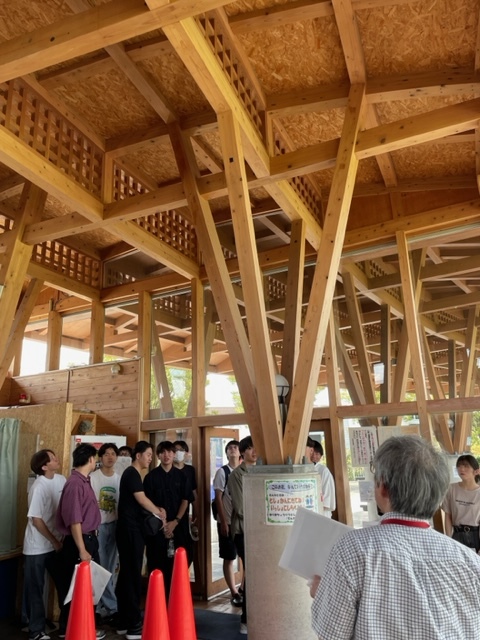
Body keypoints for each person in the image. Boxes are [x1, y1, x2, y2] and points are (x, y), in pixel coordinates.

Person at [311, 435, 480, 640]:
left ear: (383, 487)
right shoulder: (471, 562)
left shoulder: (353, 549)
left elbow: (331, 636)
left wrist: (325, 597)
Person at [115, 441, 165, 640]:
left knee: (127, 574)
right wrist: (159, 513)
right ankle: (133, 624)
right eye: (148, 455)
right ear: (138, 456)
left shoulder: (133, 474)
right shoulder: (132, 474)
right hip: (130, 531)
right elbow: (142, 499)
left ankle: (123, 621)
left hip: (130, 530)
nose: (151, 459)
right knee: (132, 575)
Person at [55, 444, 105, 640]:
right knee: (76, 588)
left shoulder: (84, 480)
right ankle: (74, 629)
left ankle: (76, 627)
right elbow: (74, 521)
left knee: (86, 587)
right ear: (91, 459)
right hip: (80, 541)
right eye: (96, 458)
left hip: (88, 538)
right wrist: (82, 549)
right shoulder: (75, 483)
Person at [23, 449, 66, 640]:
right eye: (52, 458)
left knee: (64, 584)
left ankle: (66, 626)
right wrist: (55, 541)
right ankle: (36, 630)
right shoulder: (38, 487)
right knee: (35, 589)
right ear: (44, 466)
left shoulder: (62, 480)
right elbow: (36, 520)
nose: (57, 460)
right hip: (37, 547)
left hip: (57, 545)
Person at [143, 441, 191, 599]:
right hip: (157, 528)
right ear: (158, 455)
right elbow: (147, 504)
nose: (167, 455)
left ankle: (176, 599)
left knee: (178, 564)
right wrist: (164, 524)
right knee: (156, 563)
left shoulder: (182, 476)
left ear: (174, 454)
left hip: (178, 527)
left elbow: (185, 500)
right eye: (163, 452)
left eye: (170, 452)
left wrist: (175, 522)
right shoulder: (150, 477)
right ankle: (157, 599)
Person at [228, 436, 257, 636]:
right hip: (244, 531)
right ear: (243, 451)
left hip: (260, 531)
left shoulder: (263, 470)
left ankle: (255, 616)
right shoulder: (236, 475)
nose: (254, 452)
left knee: (258, 575)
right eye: (250, 448)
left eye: (256, 448)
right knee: (251, 574)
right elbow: (240, 508)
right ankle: (246, 619)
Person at [89, 443, 120, 623]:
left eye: (113, 453)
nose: (110, 457)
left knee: (110, 567)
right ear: (100, 457)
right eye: (106, 454)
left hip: (115, 525)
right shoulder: (93, 478)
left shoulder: (118, 479)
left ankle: (101, 607)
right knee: (100, 567)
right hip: (98, 527)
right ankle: (111, 607)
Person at [212, 439, 242, 606]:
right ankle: (234, 591)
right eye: (229, 448)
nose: (232, 450)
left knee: (244, 556)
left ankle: (243, 588)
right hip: (227, 521)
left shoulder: (244, 471)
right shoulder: (222, 472)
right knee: (229, 556)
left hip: (242, 522)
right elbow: (218, 498)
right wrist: (223, 521)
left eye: (235, 447)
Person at [442, 453, 480, 551]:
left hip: (476, 536)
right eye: (459, 466)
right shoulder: (451, 488)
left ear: (476, 471)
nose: (461, 469)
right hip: (457, 535)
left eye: (466, 466)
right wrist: (448, 539)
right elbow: (448, 516)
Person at [173, 439, 198, 531]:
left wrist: (197, 513)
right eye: (175, 450)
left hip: (185, 512)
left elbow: (193, 492)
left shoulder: (190, 470)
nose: (178, 452)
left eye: (181, 450)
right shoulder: (168, 469)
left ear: (186, 453)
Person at [312, 439, 336, 518]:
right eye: (312, 453)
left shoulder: (323, 470)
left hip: (321, 512)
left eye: (317, 454)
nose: (314, 456)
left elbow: (326, 497)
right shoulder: (307, 469)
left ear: (321, 456)